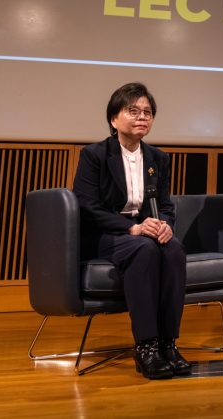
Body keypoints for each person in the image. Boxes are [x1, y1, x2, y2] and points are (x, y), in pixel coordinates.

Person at [73, 82, 190, 379]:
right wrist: (132, 228)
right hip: (105, 234)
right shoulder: (95, 155)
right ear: (114, 119)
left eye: (148, 112)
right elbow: (88, 207)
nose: (142, 117)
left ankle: (168, 342)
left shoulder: (158, 158)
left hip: (143, 232)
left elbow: (165, 204)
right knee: (144, 248)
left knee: (173, 247)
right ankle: (146, 346)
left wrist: (165, 225)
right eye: (133, 111)